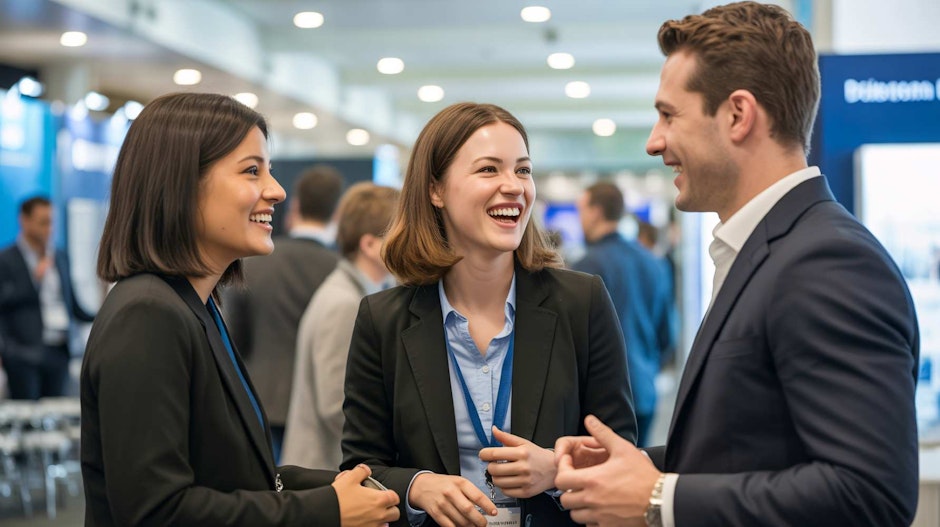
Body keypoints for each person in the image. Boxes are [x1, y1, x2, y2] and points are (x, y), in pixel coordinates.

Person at [553, 3, 920, 526]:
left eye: (668, 114)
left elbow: (870, 494)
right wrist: (628, 471)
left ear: (738, 115)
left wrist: (658, 499)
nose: (655, 142)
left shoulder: (826, 261)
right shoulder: (769, 250)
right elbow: (744, 451)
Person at [80, 92, 399, 527]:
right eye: (252, 171)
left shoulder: (196, 305)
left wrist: (397, 486)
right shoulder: (149, 315)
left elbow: (241, 475)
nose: (277, 190)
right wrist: (327, 510)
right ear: (180, 182)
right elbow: (157, 511)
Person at [341, 102, 636, 527]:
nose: (514, 186)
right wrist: (417, 486)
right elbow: (361, 466)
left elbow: (621, 448)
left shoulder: (580, 302)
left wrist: (555, 468)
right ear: (435, 190)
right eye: (488, 170)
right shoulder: (383, 319)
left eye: (523, 170)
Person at [223, 164, 343, 461]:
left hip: (258, 397)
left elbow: (234, 337)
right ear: (336, 212)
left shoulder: (252, 262)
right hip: (318, 408)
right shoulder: (340, 271)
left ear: (297, 205)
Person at [282, 182, 399, 470]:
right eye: (400, 234)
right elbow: (338, 406)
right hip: (324, 472)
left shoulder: (355, 294)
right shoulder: (345, 303)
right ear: (371, 245)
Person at [573, 182, 675, 447]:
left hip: (601, 403)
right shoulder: (653, 263)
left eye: (581, 210)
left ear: (595, 212)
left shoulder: (585, 268)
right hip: (645, 391)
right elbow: (667, 335)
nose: (579, 219)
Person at [0, 196, 94, 400]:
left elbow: (73, 306)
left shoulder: (60, 257)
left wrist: (103, 313)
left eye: (51, 222)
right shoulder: (6, 260)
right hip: (24, 354)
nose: (49, 228)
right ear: (24, 221)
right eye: (43, 222)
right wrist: (34, 280)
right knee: (26, 419)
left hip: (58, 351)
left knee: (56, 413)